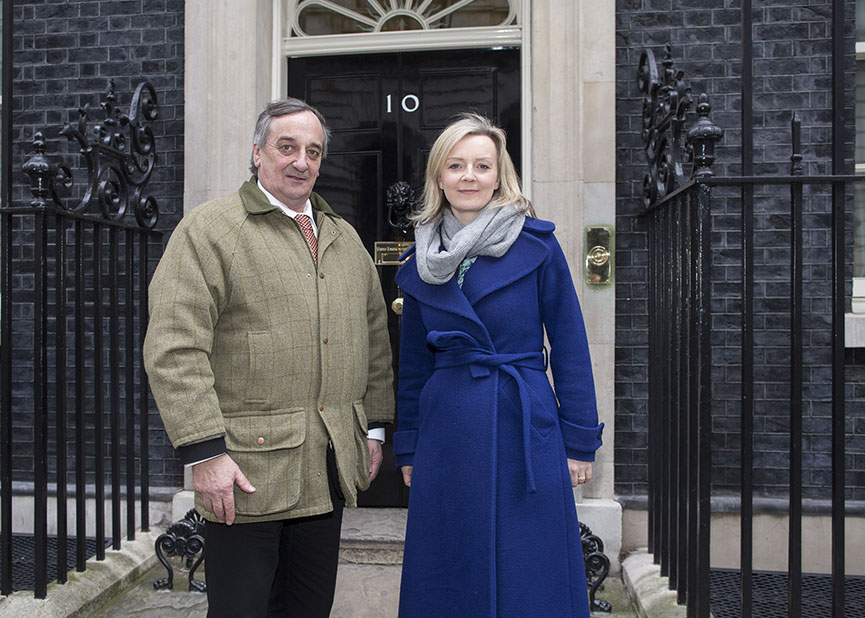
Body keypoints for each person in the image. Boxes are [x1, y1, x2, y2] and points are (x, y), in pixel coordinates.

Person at [144, 98, 395, 618]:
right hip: (245, 473)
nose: (301, 161)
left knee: (307, 609)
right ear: (257, 153)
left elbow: (373, 338)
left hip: (327, 466)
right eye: (287, 147)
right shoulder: (209, 231)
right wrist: (205, 453)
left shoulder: (344, 238)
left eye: (313, 151)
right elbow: (174, 346)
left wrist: (372, 429)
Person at [393, 113, 604, 617]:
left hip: (523, 423)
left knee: (529, 568)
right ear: (439, 177)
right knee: (451, 565)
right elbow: (414, 368)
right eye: (456, 165)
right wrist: (410, 447)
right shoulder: (417, 261)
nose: (469, 176)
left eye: (482, 165)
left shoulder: (538, 245)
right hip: (447, 431)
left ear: (498, 174)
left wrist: (579, 441)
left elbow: (572, 346)